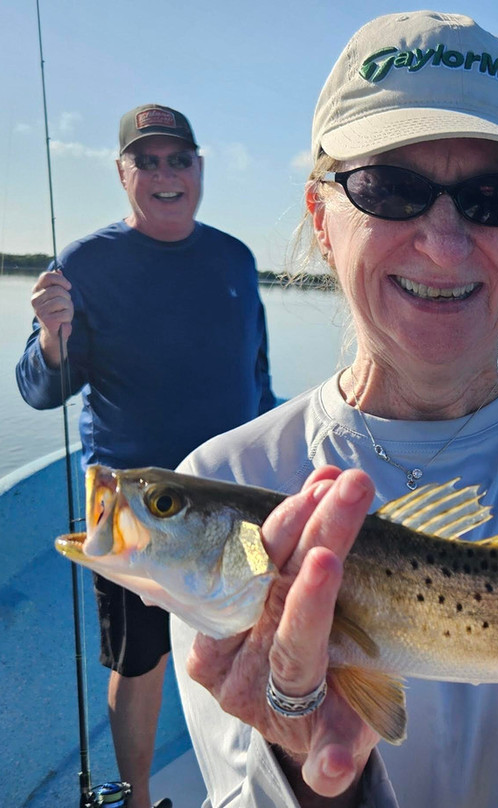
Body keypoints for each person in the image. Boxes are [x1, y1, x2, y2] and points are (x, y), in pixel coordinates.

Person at [171, 12, 498, 808]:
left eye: (496, 195)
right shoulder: (226, 483)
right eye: (391, 189)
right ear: (321, 217)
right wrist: (313, 773)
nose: (445, 245)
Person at [16, 103, 277, 808]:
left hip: (230, 501)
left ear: (199, 167)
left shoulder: (235, 259)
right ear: (122, 173)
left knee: (261, 638)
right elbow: (42, 389)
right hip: (135, 508)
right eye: (148, 161)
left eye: (179, 159)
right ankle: (134, 800)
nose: (166, 175)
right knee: (141, 660)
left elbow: (260, 381)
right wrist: (49, 336)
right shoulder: (85, 263)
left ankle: (263, 784)